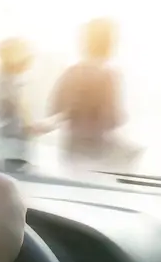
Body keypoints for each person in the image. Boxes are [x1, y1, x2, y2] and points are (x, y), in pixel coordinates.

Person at [48, 18, 139, 169]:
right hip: (99, 151)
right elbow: (113, 118)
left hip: (72, 147)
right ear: (110, 44)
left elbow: (55, 109)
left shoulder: (71, 73)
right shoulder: (109, 75)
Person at [0, 37, 59, 173]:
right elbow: (19, 130)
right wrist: (53, 123)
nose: (31, 60)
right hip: (7, 167)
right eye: (27, 56)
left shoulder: (0, 87)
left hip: (1, 164)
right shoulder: (7, 90)